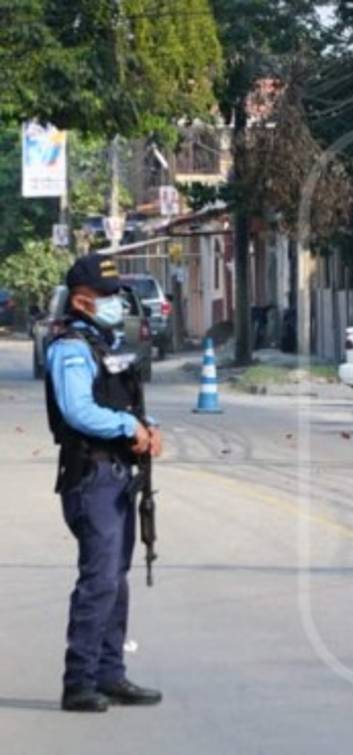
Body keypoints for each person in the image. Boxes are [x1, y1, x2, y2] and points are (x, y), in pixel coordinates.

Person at [45, 253, 163, 713]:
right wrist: (126, 426)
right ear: (81, 301)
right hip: (91, 475)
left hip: (116, 474)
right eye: (107, 296)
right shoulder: (70, 348)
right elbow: (78, 410)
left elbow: (119, 401)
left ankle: (110, 674)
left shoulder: (105, 344)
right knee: (99, 580)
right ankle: (79, 682)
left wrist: (147, 426)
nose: (116, 303)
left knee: (116, 579)